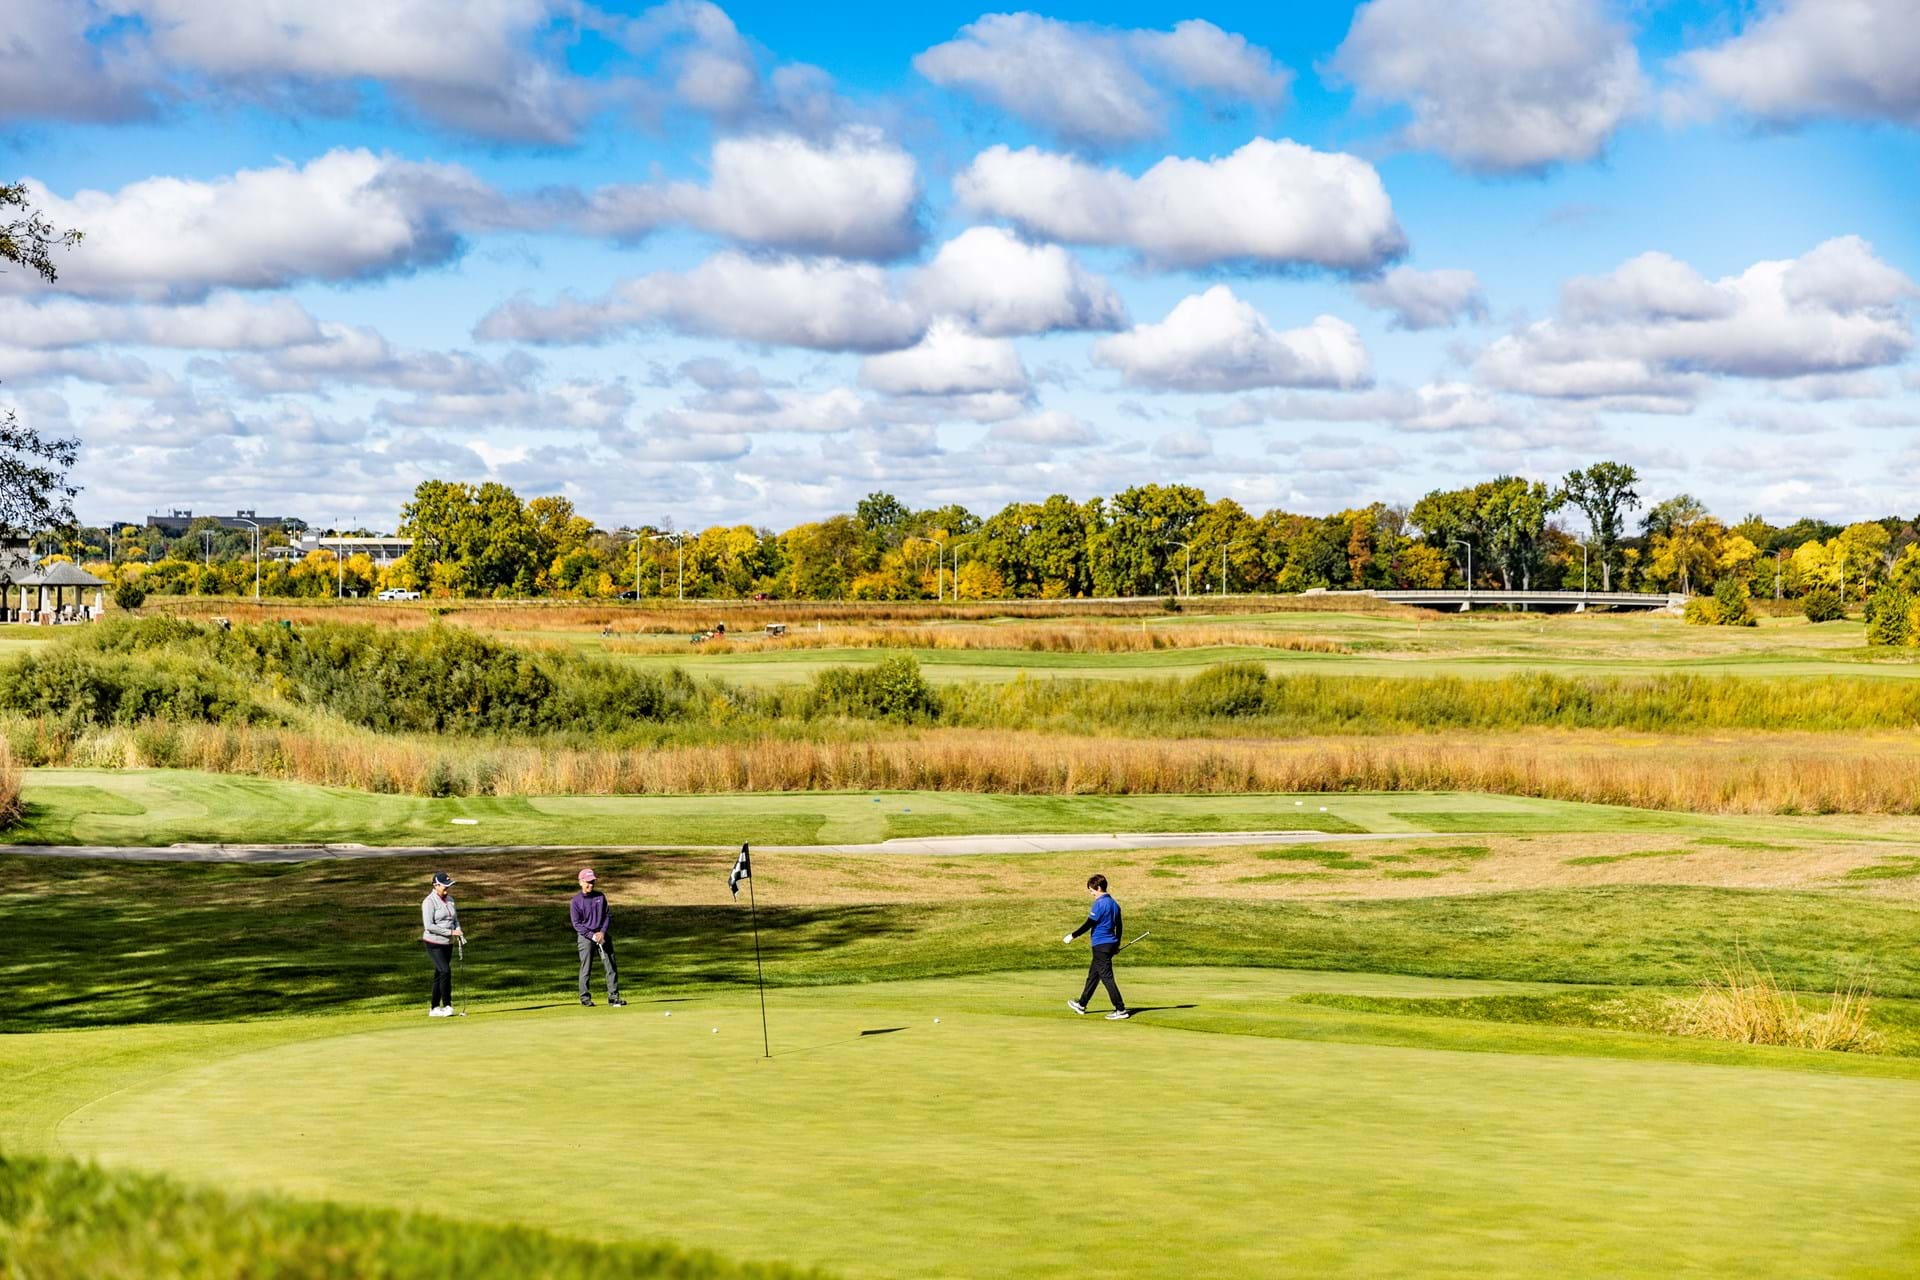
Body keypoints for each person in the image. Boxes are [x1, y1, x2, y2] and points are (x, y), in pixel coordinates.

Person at [1063, 873, 1129, 1020]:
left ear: (1098, 888)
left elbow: (1089, 924)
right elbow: (1119, 926)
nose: (1091, 893)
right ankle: (1082, 1004)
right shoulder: (1114, 904)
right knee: (1093, 975)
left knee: (1107, 977)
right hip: (1110, 943)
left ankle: (1120, 1009)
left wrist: (1073, 935)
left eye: (1092, 890)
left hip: (1101, 945)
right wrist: (1116, 944)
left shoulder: (1100, 904)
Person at [571, 868, 625, 1007]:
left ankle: (613, 997)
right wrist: (591, 935)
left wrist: (602, 932)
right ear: (581, 882)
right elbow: (577, 924)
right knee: (586, 968)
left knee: (610, 965)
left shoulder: (600, 896)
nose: (591, 885)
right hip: (586, 937)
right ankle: (585, 998)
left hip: (602, 935)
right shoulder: (576, 901)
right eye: (588, 882)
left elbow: (607, 915)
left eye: (592, 882)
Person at [421, 871, 464, 1017]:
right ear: (435, 885)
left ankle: (434, 1008)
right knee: (445, 971)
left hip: (448, 943)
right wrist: (451, 933)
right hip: (433, 943)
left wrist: (458, 930)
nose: (447, 888)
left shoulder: (450, 900)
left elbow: (455, 920)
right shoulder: (429, 902)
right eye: (444, 886)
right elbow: (429, 926)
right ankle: (447, 1005)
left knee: (439, 974)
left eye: (449, 885)